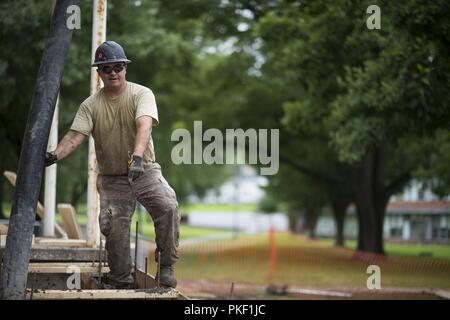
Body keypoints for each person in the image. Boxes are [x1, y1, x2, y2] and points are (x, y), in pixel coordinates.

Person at [45, 40, 180, 289]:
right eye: (106, 68)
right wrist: (53, 155)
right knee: (114, 227)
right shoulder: (90, 105)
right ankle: (121, 279)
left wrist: (137, 159)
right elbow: (75, 136)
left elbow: (144, 125)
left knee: (167, 205)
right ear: (99, 73)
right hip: (112, 176)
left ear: (125, 68)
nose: (113, 72)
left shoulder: (142, 94)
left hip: (144, 169)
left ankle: (166, 265)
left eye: (118, 66)